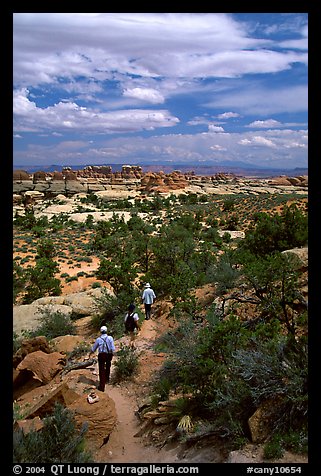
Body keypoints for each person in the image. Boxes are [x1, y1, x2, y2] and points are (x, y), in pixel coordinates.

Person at [89, 325, 115, 392]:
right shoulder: (110, 338)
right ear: (106, 331)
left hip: (101, 355)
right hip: (108, 354)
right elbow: (112, 348)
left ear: (100, 332)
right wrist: (112, 354)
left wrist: (90, 353)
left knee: (101, 369)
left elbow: (94, 348)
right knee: (108, 365)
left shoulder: (98, 339)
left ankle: (102, 386)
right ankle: (107, 379)